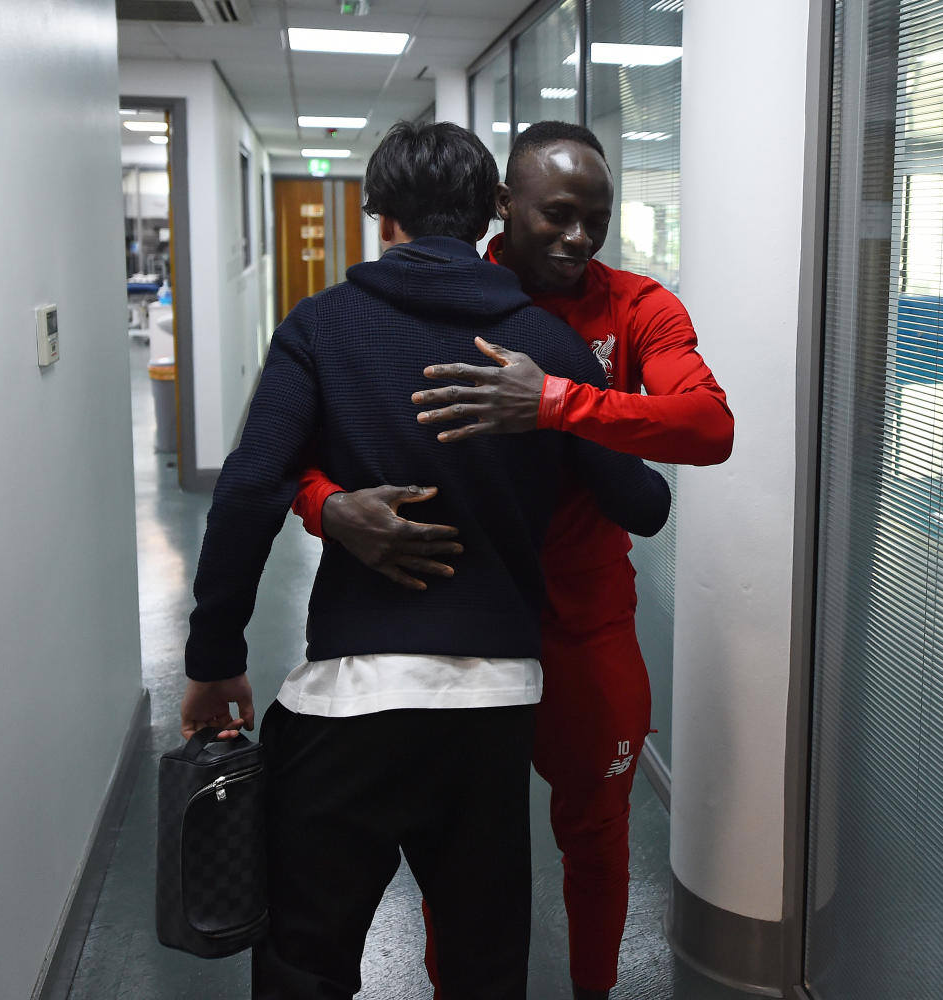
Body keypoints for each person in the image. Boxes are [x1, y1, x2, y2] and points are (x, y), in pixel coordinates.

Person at [179, 120, 672, 1000]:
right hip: (491, 712)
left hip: (347, 703)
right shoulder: (542, 347)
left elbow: (250, 489)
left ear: (380, 218)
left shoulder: (320, 326)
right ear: (491, 209)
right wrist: (560, 423)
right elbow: (644, 504)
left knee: (305, 964)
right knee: (484, 971)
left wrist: (215, 659)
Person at [291, 121, 734, 1000]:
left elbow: (708, 427)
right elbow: (298, 446)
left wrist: (561, 402)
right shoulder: (429, 294)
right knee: (448, 858)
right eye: (558, 215)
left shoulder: (636, 308)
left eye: (596, 218)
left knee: (597, 837)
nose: (578, 238)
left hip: (583, 624)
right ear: (503, 205)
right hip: (461, 622)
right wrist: (329, 509)